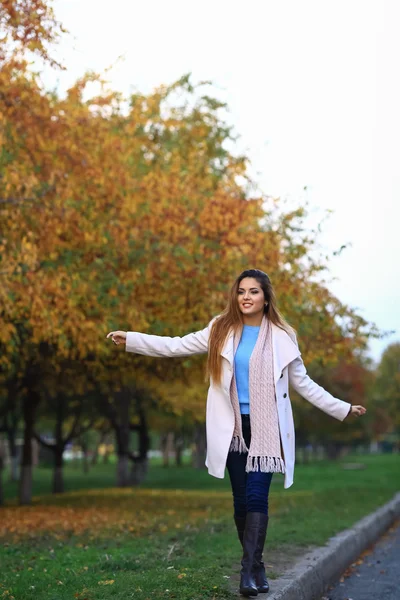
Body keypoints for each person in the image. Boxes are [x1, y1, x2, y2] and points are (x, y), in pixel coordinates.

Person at [107, 269, 366, 597]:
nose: (246, 296)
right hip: (232, 430)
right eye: (241, 291)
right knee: (241, 501)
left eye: (254, 291)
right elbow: (176, 345)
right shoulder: (221, 329)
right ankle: (256, 565)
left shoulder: (283, 337)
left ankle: (247, 568)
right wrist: (131, 339)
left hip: (266, 429)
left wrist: (342, 408)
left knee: (258, 497)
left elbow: (304, 383)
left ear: (266, 297)